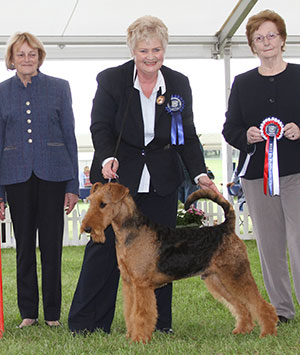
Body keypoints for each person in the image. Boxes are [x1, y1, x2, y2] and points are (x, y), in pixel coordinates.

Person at [68, 15, 219, 335]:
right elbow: (100, 126)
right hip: (118, 180)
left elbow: (187, 135)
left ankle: (158, 325)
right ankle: (88, 323)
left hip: (162, 179)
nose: (151, 57)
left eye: (157, 50)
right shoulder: (111, 79)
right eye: (143, 51)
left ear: (165, 48)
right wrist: (108, 156)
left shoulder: (179, 83)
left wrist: (200, 174)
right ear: (132, 50)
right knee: (104, 248)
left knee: (158, 253)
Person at [222, 9, 300, 324]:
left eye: (271, 35)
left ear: (282, 39)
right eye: (258, 38)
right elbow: (230, 129)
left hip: (297, 173)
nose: (266, 42)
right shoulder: (242, 83)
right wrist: (248, 136)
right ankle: (282, 310)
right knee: (270, 245)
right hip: (258, 176)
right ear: (252, 46)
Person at [0, 32, 79, 328]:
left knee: (51, 247)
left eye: (32, 54)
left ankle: (54, 314)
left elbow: (69, 136)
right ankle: (28, 313)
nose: (26, 59)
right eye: (20, 54)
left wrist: (72, 186)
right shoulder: (1, 92)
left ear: (40, 57)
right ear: (11, 59)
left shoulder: (59, 88)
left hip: (53, 176)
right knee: (23, 250)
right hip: (16, 177)